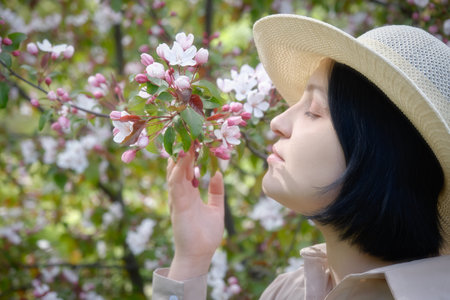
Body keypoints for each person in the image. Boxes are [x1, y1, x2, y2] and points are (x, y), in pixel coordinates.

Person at [152, 14, 450, 299]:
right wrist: (191, 260)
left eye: (314, 111)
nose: (277, 123)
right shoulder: (286, 292)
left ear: (381, 154)